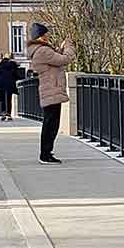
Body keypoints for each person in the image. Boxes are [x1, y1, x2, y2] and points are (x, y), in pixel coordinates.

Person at [27, 23, 74, 165]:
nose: (49, 36)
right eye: (46, 33)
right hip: (51, 89)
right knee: (50, 124)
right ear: (42, 35)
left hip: (50, 89)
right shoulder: (42, 51)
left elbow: (55, 59)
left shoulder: (40, 50)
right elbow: (64, 59)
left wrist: (60, 48)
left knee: (50, 123)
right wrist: (68, 46)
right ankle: (45, 154)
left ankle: (46, 152)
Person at [0, 53, 19, 121]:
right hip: (10, 83)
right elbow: (16, 74)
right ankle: (8, 114)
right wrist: (14, 79)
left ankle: (3, 113)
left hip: (1, 83)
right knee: (9, 99)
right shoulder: (13, 64)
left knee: (2, 99)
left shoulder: (1, 64)